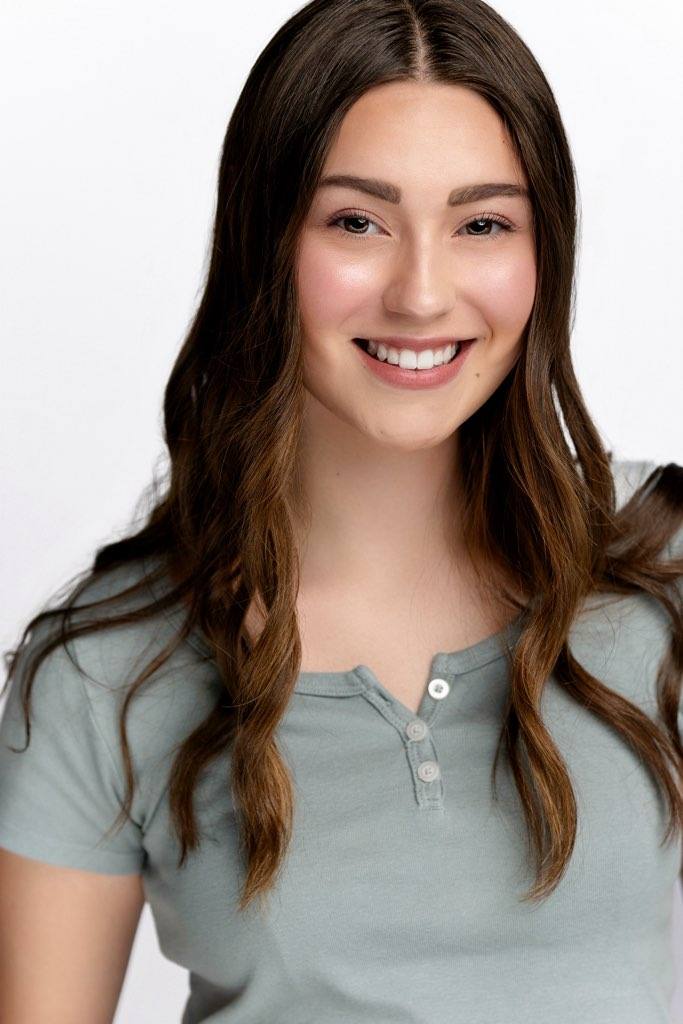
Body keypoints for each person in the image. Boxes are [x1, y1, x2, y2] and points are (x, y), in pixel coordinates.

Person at [1, 0, 681, 1021]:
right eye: (356, 222)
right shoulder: (107, 671)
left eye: (482, 224)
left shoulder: (661, 567)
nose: (420, 293)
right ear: (264, 241)